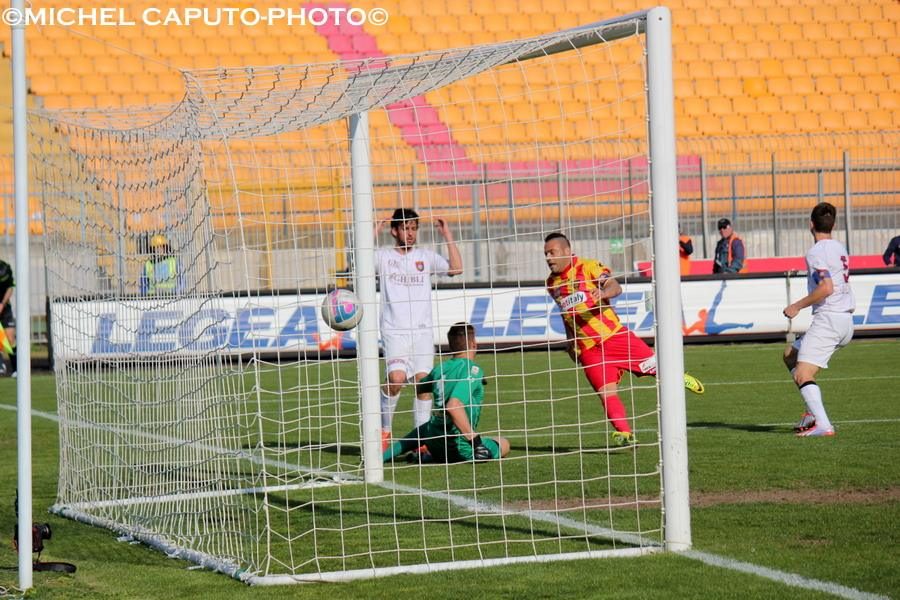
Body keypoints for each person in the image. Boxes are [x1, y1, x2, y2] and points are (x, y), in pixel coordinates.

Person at [543, 233, 705, 447]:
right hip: (588, 348)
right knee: (605, 393)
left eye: (552, 253)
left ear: (566, 251)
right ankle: (625, 433)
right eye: (545, 254)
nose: (548, 258)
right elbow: (566, 314)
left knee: (656, 368)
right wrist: (570, 342)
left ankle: (678, 376)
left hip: (615, 337)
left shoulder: (589, 267)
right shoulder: (551, 284)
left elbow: (614, 287)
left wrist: (601, 294)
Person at [375, 208, 463, 449]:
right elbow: (356, 264)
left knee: (424, 383)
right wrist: (374, 231)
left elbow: (456, 268)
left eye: (414, 228)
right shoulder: (383, 257)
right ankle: (384, 431)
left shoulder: (425, 256)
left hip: (422, 332)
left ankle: (421, 441)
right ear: (394, 231)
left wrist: (447, 234)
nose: (411, 233)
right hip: (394, 331)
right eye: (405, 228)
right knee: (396, 379)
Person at [383, 322, 509, 463]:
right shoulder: (473, 369)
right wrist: (476, 443)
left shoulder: (440, 368)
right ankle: (436, 456)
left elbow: (420, 387)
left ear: (451, 346)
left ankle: (381, 458)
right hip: (458, 446)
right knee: (503, 443)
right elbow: (453, 406)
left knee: (425, 429)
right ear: (474, 343)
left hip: (434, 441)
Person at [782, 202, 854, 438]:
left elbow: (826, 287)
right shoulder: (839, 247)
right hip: (844, 321)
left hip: (829, 320)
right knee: (790, 355)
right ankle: (812, 414)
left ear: (810, 225)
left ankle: (823, 425)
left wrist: (796, 306)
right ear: (833, 225)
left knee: (803, 374)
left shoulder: (816, 252)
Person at [0, 258, 17, 377]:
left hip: (5, 308)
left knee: (10, 338)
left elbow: (10, 288)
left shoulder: (5, 268)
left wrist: (2, 304)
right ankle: (1, 365)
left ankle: (16, 368)